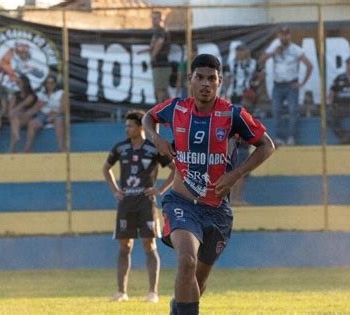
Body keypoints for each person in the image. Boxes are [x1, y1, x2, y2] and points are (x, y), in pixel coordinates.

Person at [143, 54, 275, 315]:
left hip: (217, 211)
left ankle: (177, 308)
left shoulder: (233, 114)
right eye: (199, 77)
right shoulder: (177, 108)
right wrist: (156, 139)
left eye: (211, 79)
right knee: (186, 260)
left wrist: (236, 174)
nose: (205, 84)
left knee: (197, 284)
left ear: (220, 82)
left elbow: (267, 146)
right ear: (190, 80)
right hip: (181, 203)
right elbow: (148, 117)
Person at [103, 110, 175, 303]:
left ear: (141, 127)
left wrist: (160, 189)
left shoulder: (153, 149)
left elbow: (176, 170)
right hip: (126, 203)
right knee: (125, 245)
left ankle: (153, 293)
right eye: (126, 125)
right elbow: (106, 168)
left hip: (146, 203)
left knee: (149, 244)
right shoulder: (121, 148)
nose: (127, 129)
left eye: (130, 125)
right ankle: (121, 292)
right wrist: (116, 190)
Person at [259, 26, 313, 146]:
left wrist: (302, 83)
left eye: (286, 34)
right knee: (276, 111)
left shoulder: (296, 50)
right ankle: (278, 138)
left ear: (290, 35)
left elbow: (309, 65)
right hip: (278, 85)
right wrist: (273, 53)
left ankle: (291, 137)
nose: (284, 37)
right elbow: (261, 61)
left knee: (293, 111)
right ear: (279, 35)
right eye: (282, 34)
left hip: (291, 85)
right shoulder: (274, 47)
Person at [23, 74, 65, 152]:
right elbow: (36, 108)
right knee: (32, 123)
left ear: (55, 84)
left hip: (56, 113)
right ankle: (27, 149)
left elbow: (63, 109)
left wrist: (53, 115)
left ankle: (61, 148)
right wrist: (25, 115)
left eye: (52, 82)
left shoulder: (60, 93)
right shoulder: (41, 94)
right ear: (45, 84)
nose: (50, 84)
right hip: (43, 115)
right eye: (48, 82)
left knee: (58, 122)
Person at [138, 11, 172, 103]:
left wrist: (153, 56)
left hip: (161, 65)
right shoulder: (158, 31)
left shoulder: (160, 31)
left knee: (160, 90)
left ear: (161, 19)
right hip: (160, 65)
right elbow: (156, 45)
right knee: (163, 90)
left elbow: (160, 42)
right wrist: (146, 50)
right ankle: (172, 111)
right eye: (152, 18)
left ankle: (160, 112)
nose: (153, 20)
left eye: (155, 18)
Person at [8, 74, 39, 152]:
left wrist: (16, 111)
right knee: (14, 119)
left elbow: (23, 105)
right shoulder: (15, 94)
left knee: (14, 119)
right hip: (18, 117)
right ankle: (16, 138)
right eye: (17, 83)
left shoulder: (31, 95)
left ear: (25, 83)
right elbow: (10, 109)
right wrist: (14, 112)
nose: (18, 84)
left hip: (29, 116)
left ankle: (12, 148)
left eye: (20, 82)